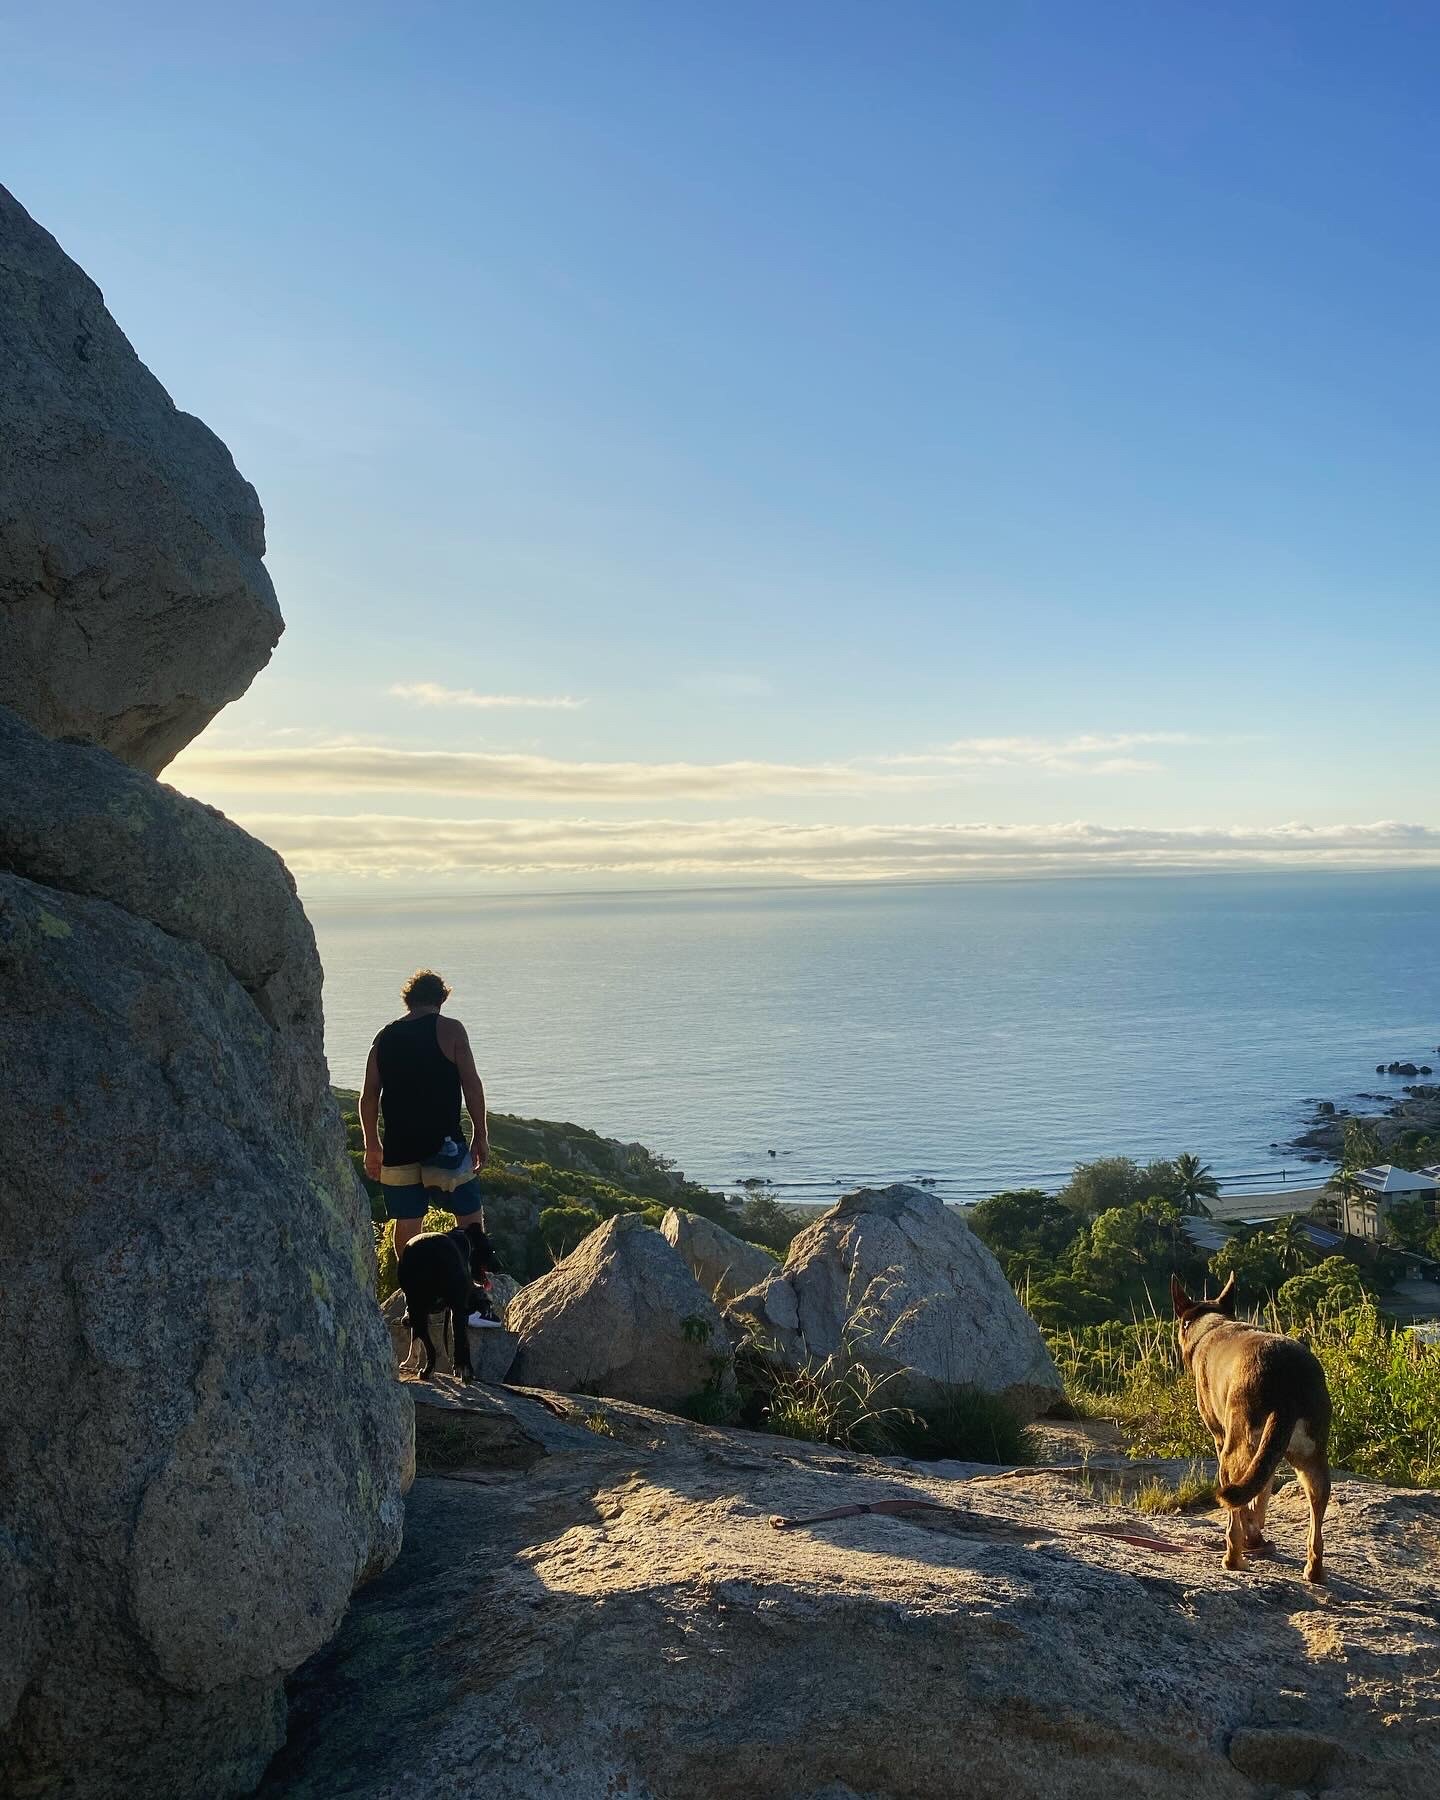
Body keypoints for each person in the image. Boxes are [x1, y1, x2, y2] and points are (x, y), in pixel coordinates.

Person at [360, 968, 491, 1273]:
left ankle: (412, 1296)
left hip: (398, 1147)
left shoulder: (384, 1037)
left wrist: (372, 1145)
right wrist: (480, 1134)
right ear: (441, 999)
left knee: (407, 1224)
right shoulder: (451, 1030)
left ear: (409, 1001)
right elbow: (471, 1084)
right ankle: (474, 1291)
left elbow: (368, 1097)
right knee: (469, 1216)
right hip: (444, 1144)